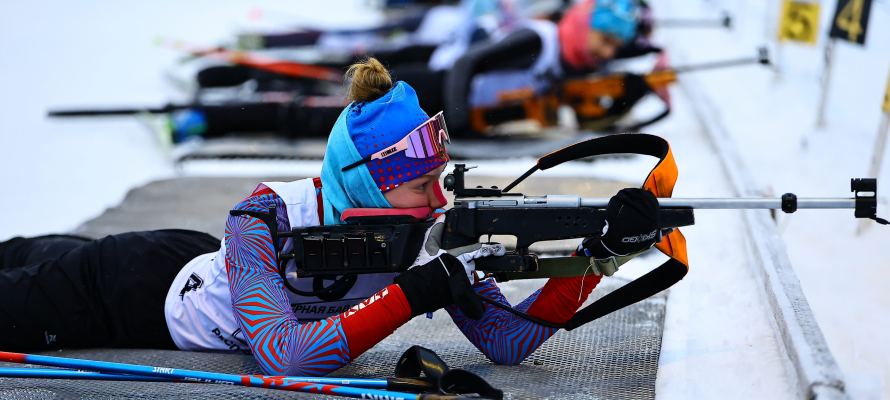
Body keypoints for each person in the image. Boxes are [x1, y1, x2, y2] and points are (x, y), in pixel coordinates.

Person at [0, 58, 661, 376]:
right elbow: (283, 355)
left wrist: (602, 256)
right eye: (423, 184)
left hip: (183, 258)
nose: (439, 201)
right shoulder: (264, 215)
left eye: (441, 180)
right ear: (369, 186)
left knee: (26, 251)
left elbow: (510, 342)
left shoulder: (422, 238)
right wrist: (412, 294)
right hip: (123, 291)